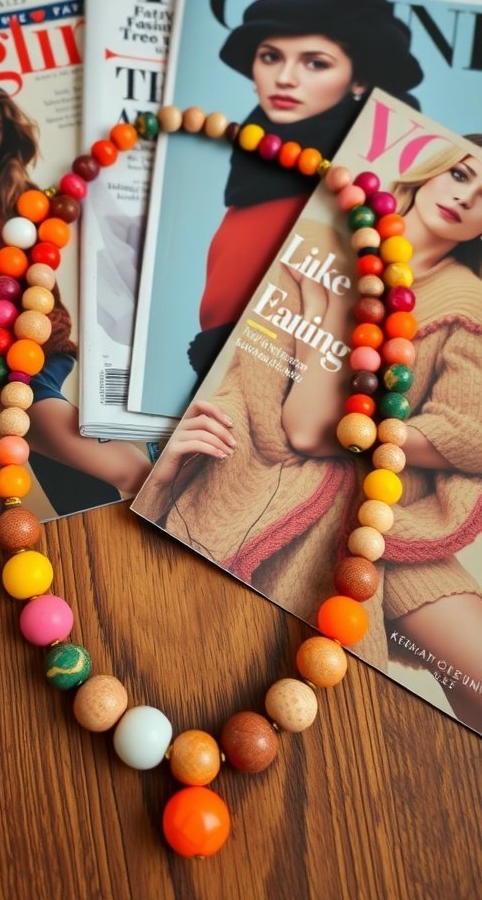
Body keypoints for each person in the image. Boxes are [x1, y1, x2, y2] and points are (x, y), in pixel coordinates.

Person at [137, 139, 482, 733]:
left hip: (388, 524)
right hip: (273, 496)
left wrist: (362, 427)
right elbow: (288, 425)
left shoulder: (467, 303)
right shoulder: (316, 245)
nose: (466, 197)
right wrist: (334, 312)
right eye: (460, 173)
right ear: (430, 171)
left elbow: (466, 433)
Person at [0, 73, 189, 551]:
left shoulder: (23, 202)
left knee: (133, 470)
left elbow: (51, 316)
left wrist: (19, 352)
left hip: (24, 359)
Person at [188, 0, 424, 383]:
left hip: (299, 382)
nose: (284, 78)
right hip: (227, 377)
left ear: (359, 81)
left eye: (315, 63)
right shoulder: (254, 160)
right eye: (270, 57)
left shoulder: (381, 180)